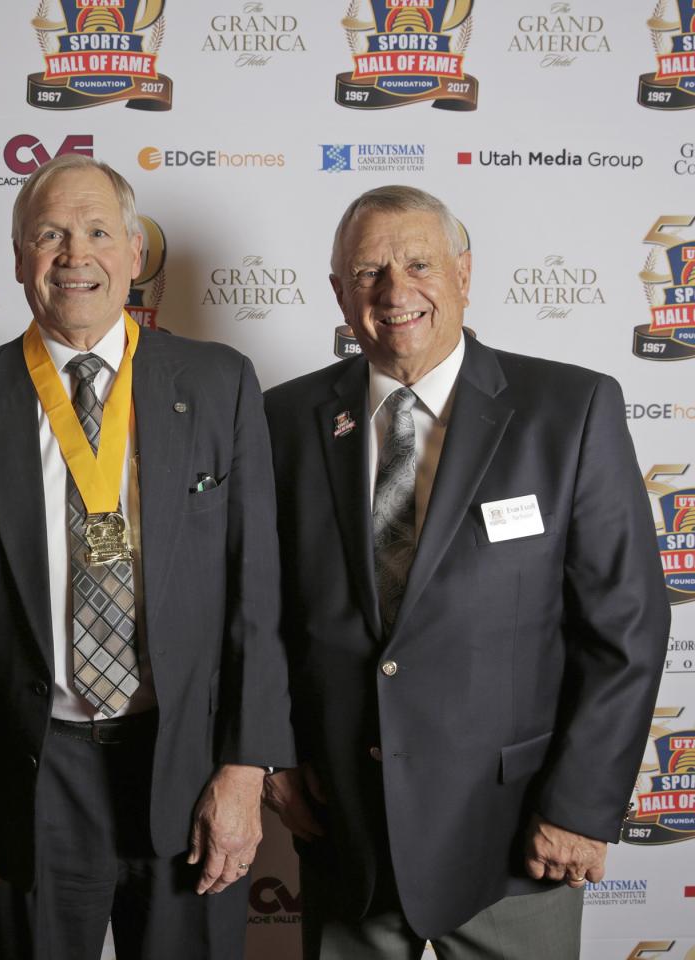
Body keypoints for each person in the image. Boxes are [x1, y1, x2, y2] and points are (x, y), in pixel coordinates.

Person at [0, 154, 295, 960]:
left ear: (136, 252)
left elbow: (257, 598)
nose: (75, 255)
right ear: (19, 257)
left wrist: (246, 767)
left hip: (186, 766)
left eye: (98, 232)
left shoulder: (218, 384)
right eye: (50, 235)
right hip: (25, 774)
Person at [262, 184, 669, 958]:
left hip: (518, 838)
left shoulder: (570, 409)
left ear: (464, 273)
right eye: (369, 272)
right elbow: (262, 612)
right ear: (340, 292)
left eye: (419, 264)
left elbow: (627, 628)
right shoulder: (283, 420)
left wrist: (580, 807)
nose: (395, 291)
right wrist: (272, 756)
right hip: (348, 830)